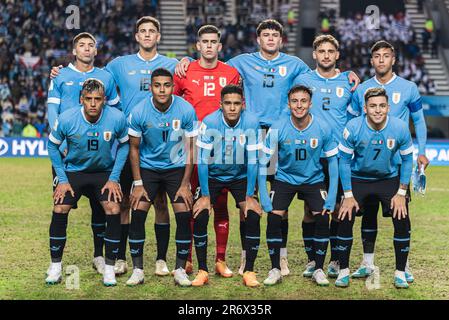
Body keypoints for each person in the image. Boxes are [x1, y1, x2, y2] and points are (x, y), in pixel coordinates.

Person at [50, 17, 179, 277]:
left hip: (158, 144)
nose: (147, 35)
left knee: (160, 202)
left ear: (159, 36)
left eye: (151, 31)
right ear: (135, 36)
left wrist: (187, 61)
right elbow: (91, 79)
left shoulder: (173, 64)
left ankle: (161, 260)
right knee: (120, 204)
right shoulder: (118, 66)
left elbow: (189, 73)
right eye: (142, 30)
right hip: (126, 143)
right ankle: (118, 258)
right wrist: (60, 71)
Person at [350, 40, 428, 282]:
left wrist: (422, 151)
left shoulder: (409, 87)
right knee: (369, 214)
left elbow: (420, 121)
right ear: (371, 60)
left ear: (393, 59)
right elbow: (351, 122)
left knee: (401, 215)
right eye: (377, 56)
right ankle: (367, 262)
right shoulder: (362, 89)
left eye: (386, 56)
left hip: (396, 166)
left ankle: (403, 267)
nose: (381, 60)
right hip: (366, 165)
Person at [47, 32, 120, 275]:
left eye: (91, 45)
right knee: (61, 205)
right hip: (69, 151)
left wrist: (107, 143)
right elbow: (52, 110)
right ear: (74, 50)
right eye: (82, 45)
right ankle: (55, 265)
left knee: (102, 208)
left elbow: (114, 114)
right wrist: (61, 141)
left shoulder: (105, 76)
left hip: (99, 157)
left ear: (96, 51)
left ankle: (100, 257)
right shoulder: (61, 75)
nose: (87, 49)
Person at [45, 79, 129, 286]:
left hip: (103, 172)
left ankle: (109, 268)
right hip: (74, 172)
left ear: (105, 100)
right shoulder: (67, 118)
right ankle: (55, 266)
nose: (93, 104)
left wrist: (114, 178)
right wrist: (62, 180)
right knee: (60, 207)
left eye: (97, 99)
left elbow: (125, 146)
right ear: (81, 99)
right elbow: (52, 146)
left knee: (113, 206)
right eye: (88, 99)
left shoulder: (117, 118)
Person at [174, 24, 241, 277]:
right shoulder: (185, 70)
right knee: (194, 203)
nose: (210, 45)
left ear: (220, 46)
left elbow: (237, 107)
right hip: (192, 149)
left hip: (223, 150)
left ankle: (220, 260)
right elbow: (174, 103)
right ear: (198, 46)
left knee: (220, 204)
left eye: (214, 41)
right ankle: (189, 258)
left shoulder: (231, 73)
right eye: (205, 41)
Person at [259, 85, 338, 286]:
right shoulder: (278, 127)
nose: (299, 105)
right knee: (274, 217)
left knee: (322, 218)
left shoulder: (323, 127)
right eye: (295, 101)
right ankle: (275, 268)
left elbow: (334, 163)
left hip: (313, 180)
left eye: (303, 101)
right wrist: (264, 194)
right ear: (289, 104)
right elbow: (262, 162)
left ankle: (318, 268)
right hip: (285, 179)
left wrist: (331, 196)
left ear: (310, 104)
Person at [126, 68, 198, 287]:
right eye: (157, 85)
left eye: (166, 85)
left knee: (184, 213)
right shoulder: (139, 111)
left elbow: (191, 148)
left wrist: (186, 183)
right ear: (151, 87)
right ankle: (138, 270)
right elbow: (134, 149)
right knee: (137, 212)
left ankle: (179, 270)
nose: (162, 90)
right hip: (148, 168)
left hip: (176, 168)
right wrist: (138, 183)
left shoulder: (185, 109)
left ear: (173, 87)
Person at [336, 87, 414, 288]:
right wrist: (348, 195)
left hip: (389, 178)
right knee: (345, 216)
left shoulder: (400, 128)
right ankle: (344, 270)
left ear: (388, 107)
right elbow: (343, 161)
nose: (377, 110)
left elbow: (407, 160)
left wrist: (401, 192)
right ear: (365, 108)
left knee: (402, 217)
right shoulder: (353, 127)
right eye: (372, 106)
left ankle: (401, 271)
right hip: (359, 178)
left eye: (381, 106)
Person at [293, 34, 354, 279]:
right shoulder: (303, 79)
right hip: (311, 155)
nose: (326, 55)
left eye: (331, 51)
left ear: (337, 55)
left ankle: (337, 260)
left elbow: (360, 113)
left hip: (338, 156)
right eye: (322, 51)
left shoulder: (348, 82)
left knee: (339, 208)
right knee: (311, 209)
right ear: (314, 55)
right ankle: (312, 259)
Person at [194, 84, 263, 287]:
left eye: (236, 104)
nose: (232, 108)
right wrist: (205, 195)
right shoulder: (209, 122)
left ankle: (249, 270)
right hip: (213, 175)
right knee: (200, 214)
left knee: (252, 214)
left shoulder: (251, 122)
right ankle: (202, 270)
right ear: (220, 105)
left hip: (240, 176)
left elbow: (253, 161)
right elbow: (202, 161)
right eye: (228, 103)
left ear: (243, 105)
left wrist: (250, 195)